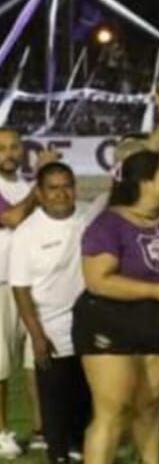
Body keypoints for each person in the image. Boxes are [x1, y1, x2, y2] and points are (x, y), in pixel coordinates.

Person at [74, 150, 159, 464]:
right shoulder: (108, 224)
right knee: (113, 410)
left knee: (149, 406)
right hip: (109, 320)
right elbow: (98, 280)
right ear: (144, 183)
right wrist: (156, 290)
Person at [9, 163, 101, 464]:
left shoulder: (90, 216)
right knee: (54, 401)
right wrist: (36, 335)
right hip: (51, 328)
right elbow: (20, 289)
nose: (61, 193)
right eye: (53, 187)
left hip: (90, 323)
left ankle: (83, 448)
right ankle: (58, 453)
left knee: (87, 395)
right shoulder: (26, 233)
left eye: (67, 185)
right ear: (40, 193)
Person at [0, 128, 47, 457]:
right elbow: (13, 217)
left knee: (38, 360)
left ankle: (43, 428)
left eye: (15, 146)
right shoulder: (26, 190)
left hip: (31, 285)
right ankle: (1, 431)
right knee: (0, 367)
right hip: (0, 285)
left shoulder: (24, 186)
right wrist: (39, 185)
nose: (9, 153)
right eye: (1, 147)